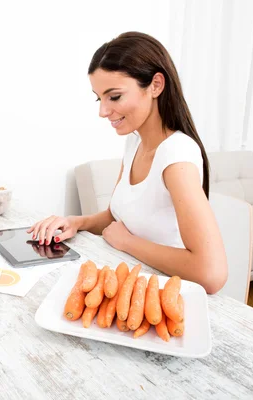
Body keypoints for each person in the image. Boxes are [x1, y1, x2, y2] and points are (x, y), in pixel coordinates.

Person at [27, 32, 228, 294]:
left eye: (115, 96)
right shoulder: (135, 141)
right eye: (100, 98)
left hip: (170, 296)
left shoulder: (177, 156)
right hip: (132, 282)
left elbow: (211, 274)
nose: (102, 111)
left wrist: (128, 243)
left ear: (155, 85)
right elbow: (115, 217)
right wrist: (76, 222)